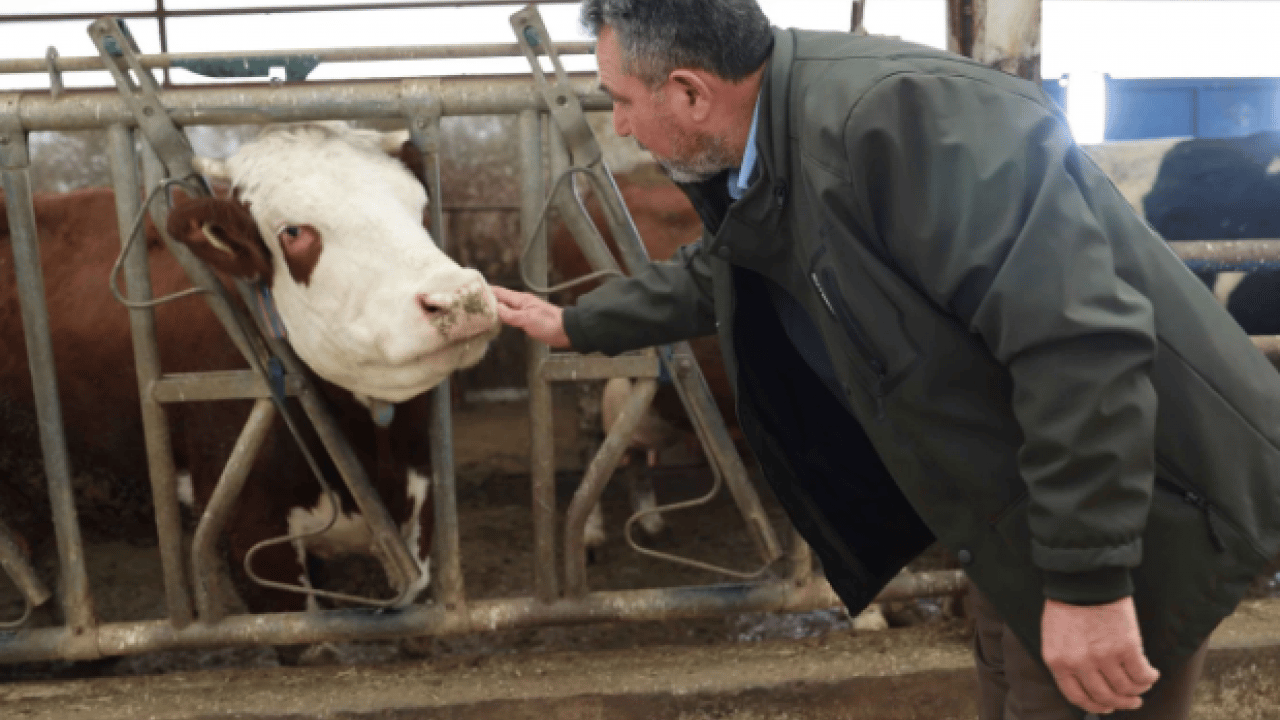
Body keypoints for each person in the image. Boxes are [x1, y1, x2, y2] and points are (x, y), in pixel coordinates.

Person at [493, 1, 1280, 717]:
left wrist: (1090, 582)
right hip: (1024, 502)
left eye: (624, 102)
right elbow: (723, 267)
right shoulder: (785, 135)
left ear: (693, 94)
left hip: (1143, 500)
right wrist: (577, 323)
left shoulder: (904, 122)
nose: (621, 127)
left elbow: (1079, 346)